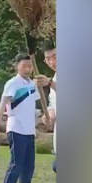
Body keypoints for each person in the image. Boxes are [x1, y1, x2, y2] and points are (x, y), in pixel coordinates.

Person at [0, 53, 41, 183]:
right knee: (16, 162)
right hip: (16, 127)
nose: (27, 69)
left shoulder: (32, 84)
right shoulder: (12, 83)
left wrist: (39, 121)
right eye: (24, 66)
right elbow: (2, 106)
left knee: (29, 163)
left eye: (29, 66)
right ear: (17, 66)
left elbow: (32, 107)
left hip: (29, 129)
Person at [35, 43, 56, 174]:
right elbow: (54, 105)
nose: (52, 62)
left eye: (55, 57)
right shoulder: (55, 77)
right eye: (48, 59)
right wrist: (49, 115)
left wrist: (50, 83)